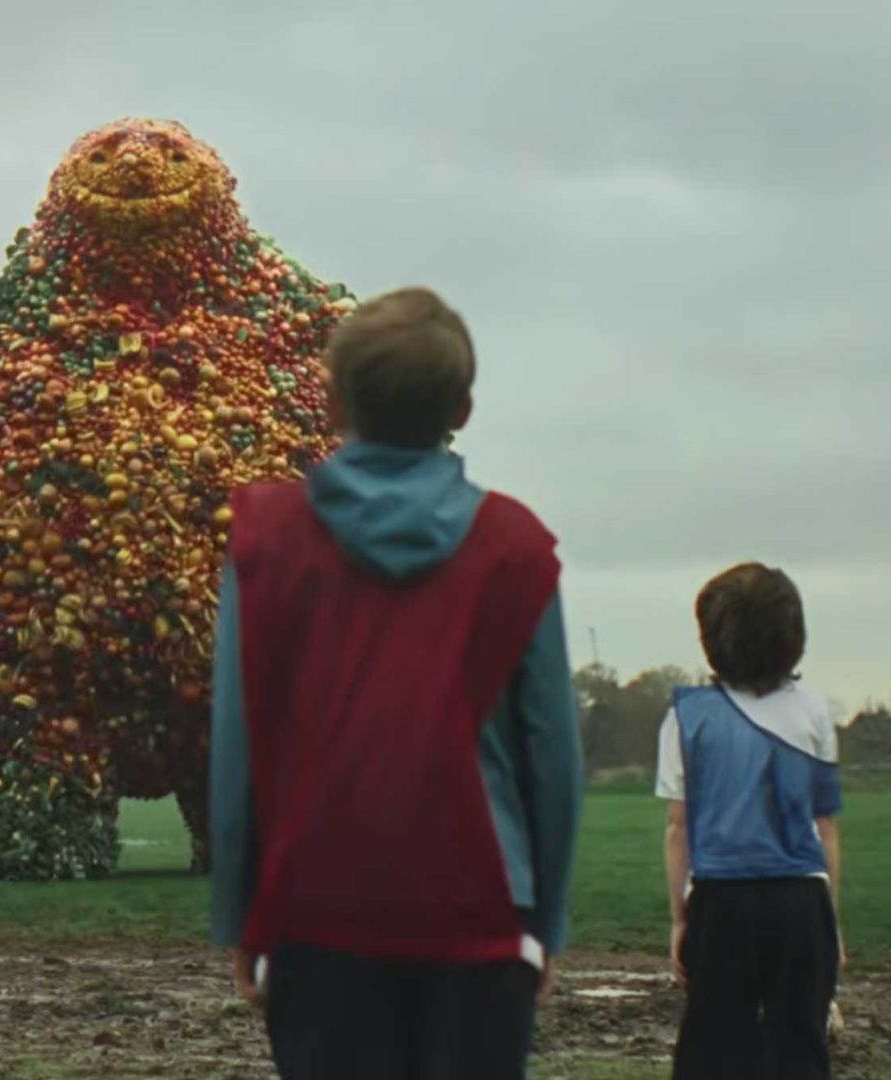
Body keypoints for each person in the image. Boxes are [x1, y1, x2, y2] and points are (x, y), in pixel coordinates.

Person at [209, 287, 583, 1079]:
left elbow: (240, 745)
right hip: (485, 908)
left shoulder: (266, 541)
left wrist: (245, 917)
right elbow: (552, 756)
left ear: (332, 398)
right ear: (464, 406)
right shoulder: (516, 547)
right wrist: (545, 922)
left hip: (315, 906)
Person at [655, 563, 843, 1080]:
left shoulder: (687, 716)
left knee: (712, 1047)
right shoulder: (813, 712)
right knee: (800, 1045)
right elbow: (824, 828)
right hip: (800, 902)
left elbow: (678, 829)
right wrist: (832, 920)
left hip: (721, 900)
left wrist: (679, 919)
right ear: (793, 636)